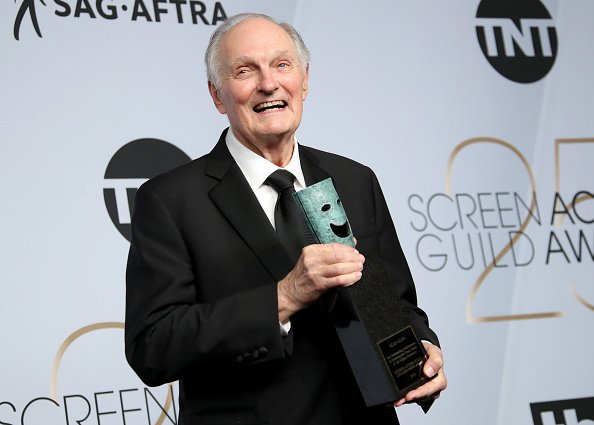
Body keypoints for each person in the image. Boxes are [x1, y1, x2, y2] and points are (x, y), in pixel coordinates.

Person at [125, 12, 446, 425]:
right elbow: (153, 347)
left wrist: (424, 347)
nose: (268, 83)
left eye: (282, 64)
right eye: (244, 70)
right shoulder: (170, 200)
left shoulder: (354, 179)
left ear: (305, 80)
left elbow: (398, 303)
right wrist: (284, 296)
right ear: (217, 95)